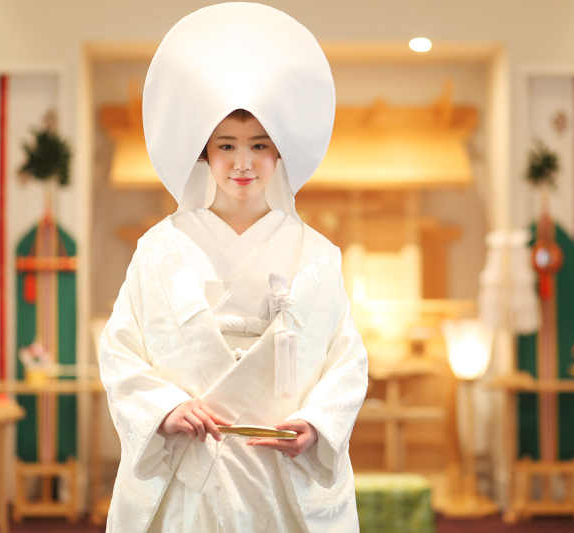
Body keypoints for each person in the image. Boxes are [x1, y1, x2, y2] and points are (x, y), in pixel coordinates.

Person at [99, 4, 368, 532]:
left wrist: (318, 423)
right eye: (226, 146)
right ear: (205, 154)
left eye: (258, 146)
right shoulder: (159, 249)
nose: (242, 163)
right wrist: (163, 408)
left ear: (278, 154)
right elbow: (120, 348)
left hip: (278, 469)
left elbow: (346, 358)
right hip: (190, 465)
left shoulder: (316, 255)